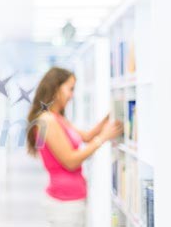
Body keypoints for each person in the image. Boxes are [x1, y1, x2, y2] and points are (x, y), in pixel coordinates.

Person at [26, 67, 123, 227]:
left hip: (71, 200)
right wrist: (103, 138)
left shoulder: (57, 117)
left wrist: (108, 118)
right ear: (56, 88)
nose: (72, 95)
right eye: (70, 89)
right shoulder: (47, 121)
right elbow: (70, 161)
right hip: (65, 204)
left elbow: (85, 136)